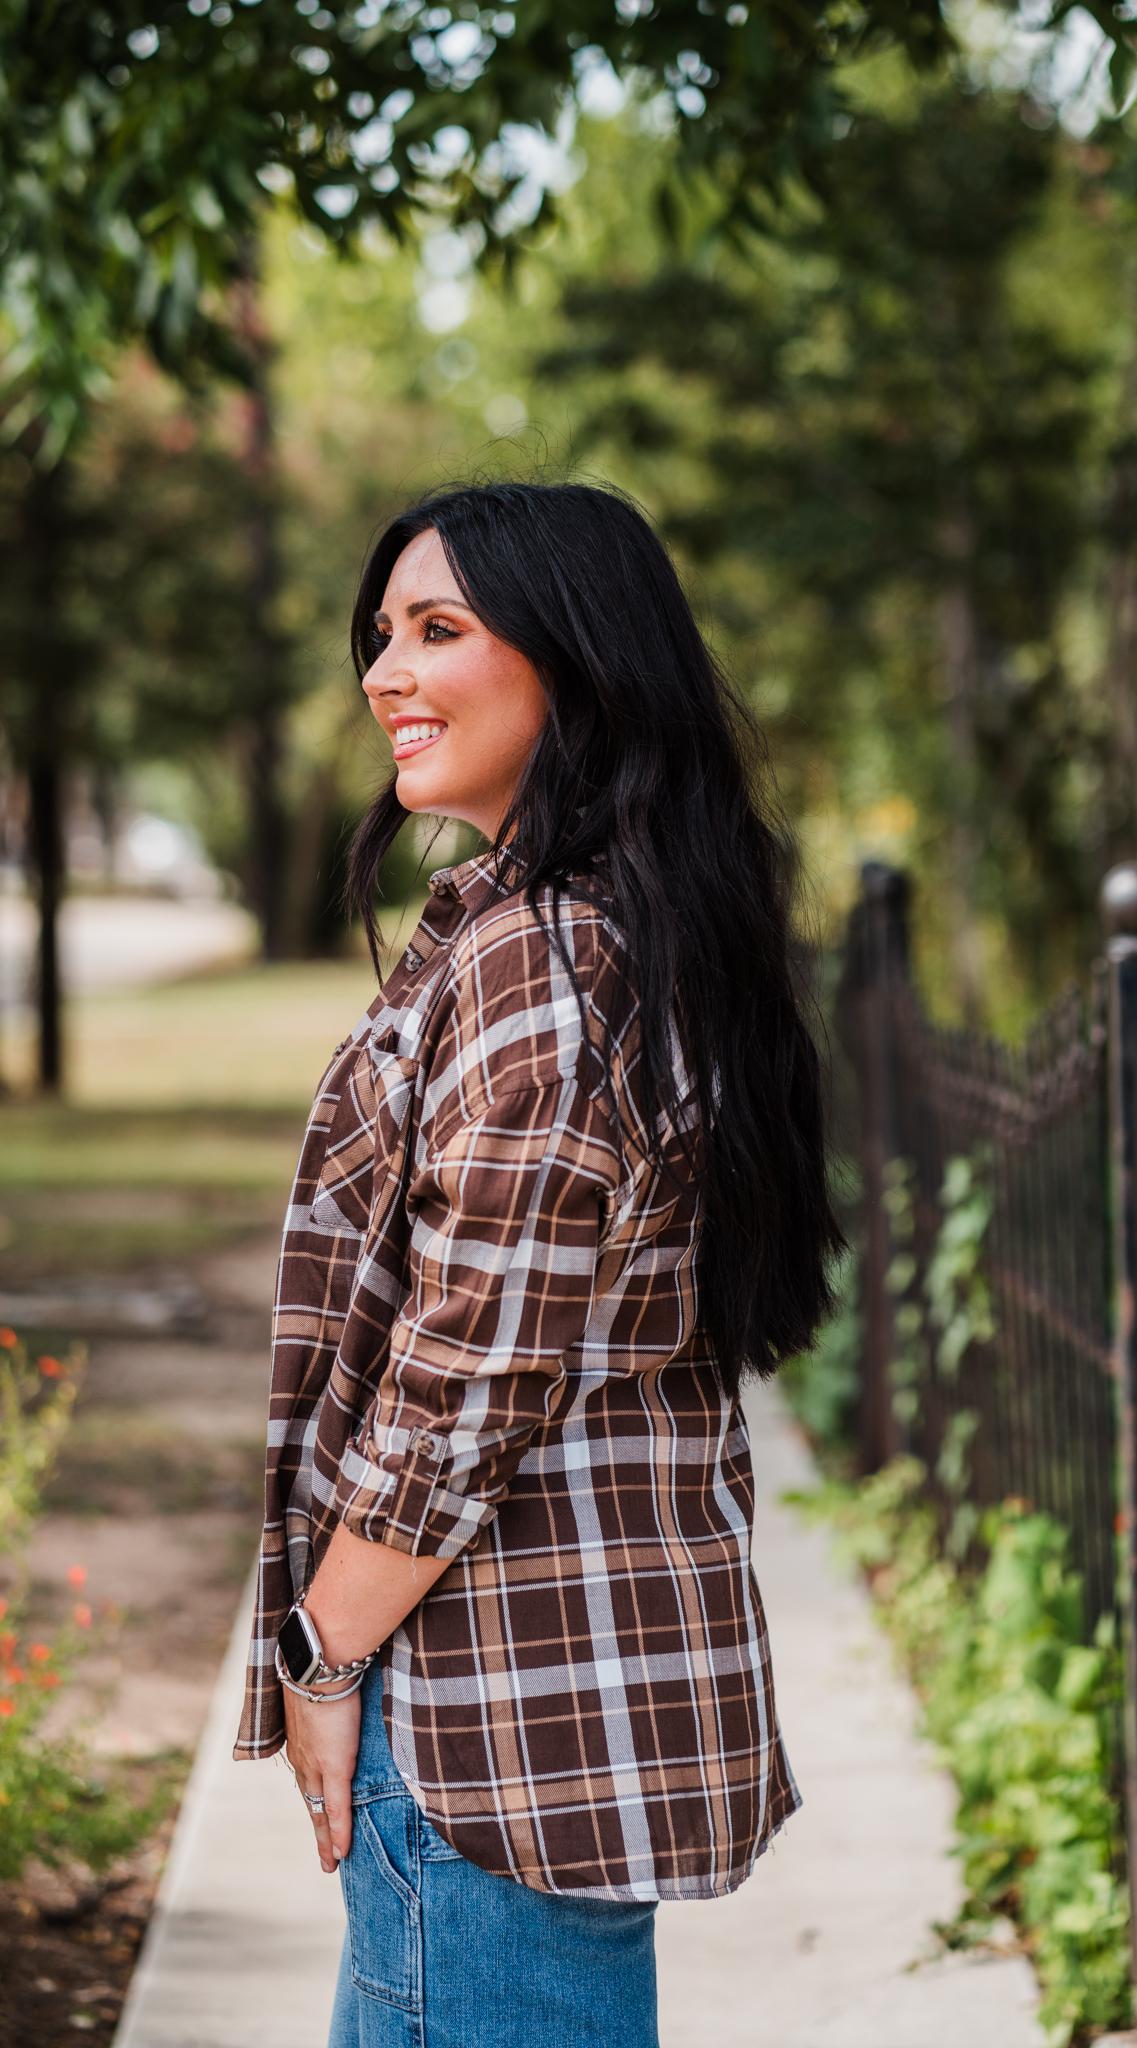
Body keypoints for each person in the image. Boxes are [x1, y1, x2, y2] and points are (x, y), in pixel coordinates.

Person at [231, 477, 849, 2047]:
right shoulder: (597, 927)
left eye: (437, 629)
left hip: (483, 1717)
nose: (385, 672)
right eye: (382, 634)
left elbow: (468, 1384)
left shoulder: (548, 963)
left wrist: (319, 1655)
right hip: (541, 1709)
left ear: (575, 658)